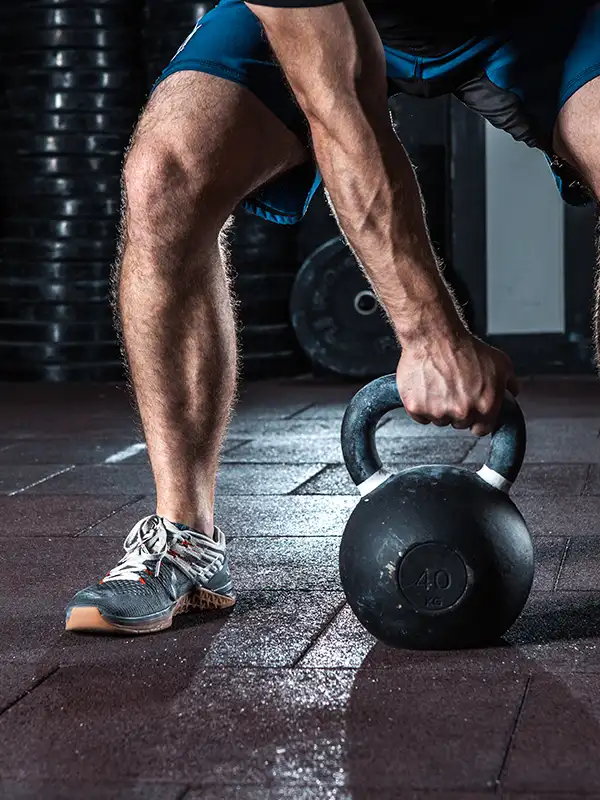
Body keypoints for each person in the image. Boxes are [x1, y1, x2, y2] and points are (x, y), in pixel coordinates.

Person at [65, 0, 600, 633]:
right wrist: (429, 337)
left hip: (544, 13)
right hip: (340, 20)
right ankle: (187, 545)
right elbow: (340, 110)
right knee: (165, 175)